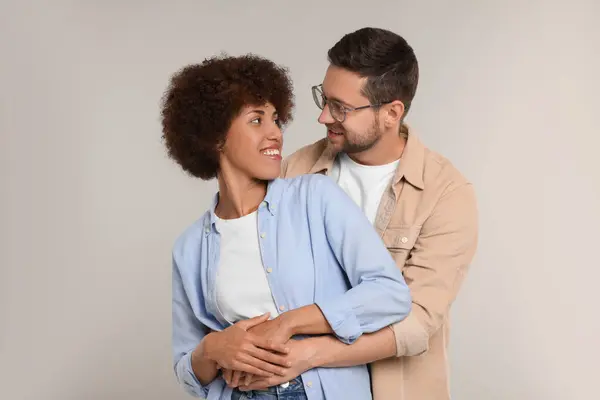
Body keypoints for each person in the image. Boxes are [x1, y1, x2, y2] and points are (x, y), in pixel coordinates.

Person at [228, 27, 478, 400]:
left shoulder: (446, 194)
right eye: (324, 99)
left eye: (341, 108)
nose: (324, 117)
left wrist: (308, 354)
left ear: (391, 112)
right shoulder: (294, 171)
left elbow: (417, 322)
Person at [161, 54, 412, 400]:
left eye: (276, 119)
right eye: (256, 120)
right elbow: (187, 371)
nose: (275, 133)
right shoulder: (189, 248)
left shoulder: (316, 198)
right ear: (214, 137)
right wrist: (214, 349)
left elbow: (390, 293)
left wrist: (289, 323)